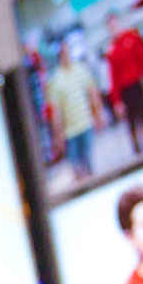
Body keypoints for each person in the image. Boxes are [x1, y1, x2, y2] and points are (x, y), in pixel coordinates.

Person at [44, 40, 106, 182]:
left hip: (85, 124)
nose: (66, 56)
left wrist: (98, 115)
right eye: (63, 53)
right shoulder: (56, 80)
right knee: (76, 167)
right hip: (70, 132)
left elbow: (92, 92)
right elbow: (55, 111)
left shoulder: (80, 69)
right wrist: (58, 135)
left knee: (89, 164)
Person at [103, 13, 143, 156]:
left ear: (118, 24)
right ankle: (138, 152)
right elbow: (112, 78)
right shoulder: (111, 50)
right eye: (110, 27)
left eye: (114, 25)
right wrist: (116, 101)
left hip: (137, 85)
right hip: (125, 91)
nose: (113, 28)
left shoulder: (131, 38)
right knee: (131, 122)